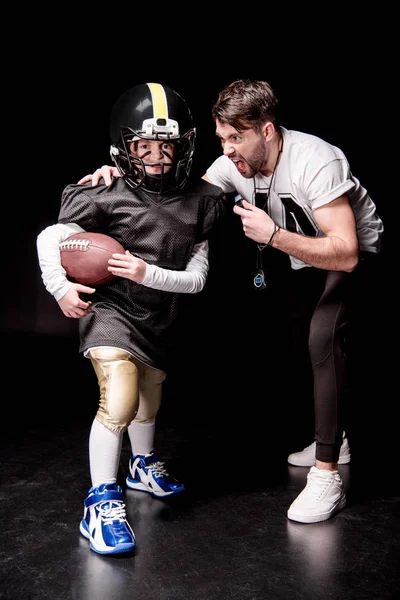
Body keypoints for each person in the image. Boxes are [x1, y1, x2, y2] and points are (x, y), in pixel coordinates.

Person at [81, 79, 383, 525]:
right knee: (299, 338)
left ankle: (327, 474)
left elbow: (347, 251)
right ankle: (334, 439)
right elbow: (177, 202)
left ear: (267, 130)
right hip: (303, 261)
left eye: (235, 138)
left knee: (324, 339)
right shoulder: (233, 164)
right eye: (221, 138)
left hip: (355, 258)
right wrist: (116, 179)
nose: (226, 151)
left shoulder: (316, 160)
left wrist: (274, 236)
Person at [36, 82, 229, 554]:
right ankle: (99, 500)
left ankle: (141, 465)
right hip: (111, 312)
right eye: (144, 147)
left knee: (148, 397)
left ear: (184, 148)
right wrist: (59, 287)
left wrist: (148, 273)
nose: (157, 159)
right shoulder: (103, 191)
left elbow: (198, 280)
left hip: (158, 315)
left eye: (167, 148)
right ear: (124, 149)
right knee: (119, 397)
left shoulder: (202, 200)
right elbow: (48, 238)